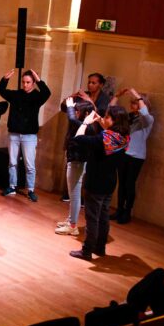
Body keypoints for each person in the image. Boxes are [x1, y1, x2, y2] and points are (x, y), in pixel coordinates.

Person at [69, 106, 130, 260]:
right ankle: (100, 248)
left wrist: (85, 122)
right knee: (103, 217)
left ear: (114, 120)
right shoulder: (123, 138)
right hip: (109, 183)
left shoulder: (102, 139)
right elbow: (108, 135)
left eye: (107, 117)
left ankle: (87, 251)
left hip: (95, 182)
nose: (104, 119)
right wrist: (101, 122)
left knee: (92, 218)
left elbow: (78, 139)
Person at [0, 68, 51, 201]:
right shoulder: (16, 94)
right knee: (12, 162)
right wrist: (5, 79)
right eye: (23, 82)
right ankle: (12, 186)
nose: (25, 85)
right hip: (14, 134)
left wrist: (38, 80)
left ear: (33, 83)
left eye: (28, 82)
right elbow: (1, 90)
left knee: (29, 164)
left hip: (29, 136)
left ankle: (31, 189)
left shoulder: (37, 96)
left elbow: (47, 93)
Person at [55, 97, 97, 236]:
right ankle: (70, 220)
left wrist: (70, 107)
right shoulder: (84, 125)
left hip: (77, 163)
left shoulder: (86, 126)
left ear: (86, 113)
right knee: (74, 193)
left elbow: (72, 119)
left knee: (74, 194)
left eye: (78, 111)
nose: (76, 113)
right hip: (75, 161)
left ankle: (72, 225)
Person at [111, 88, 154, 224]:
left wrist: (137, 96)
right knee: (122, 183)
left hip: (136, 156)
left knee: (129, 184)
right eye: (132, 102)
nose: (132, 105)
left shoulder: (147, 119)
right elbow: (111, 112)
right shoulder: (130, 117)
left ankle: (127, 212)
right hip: (124, 153)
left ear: (142, 104)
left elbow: (145, 114)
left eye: (135, 103)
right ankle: (119, 210)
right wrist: (117, 96)